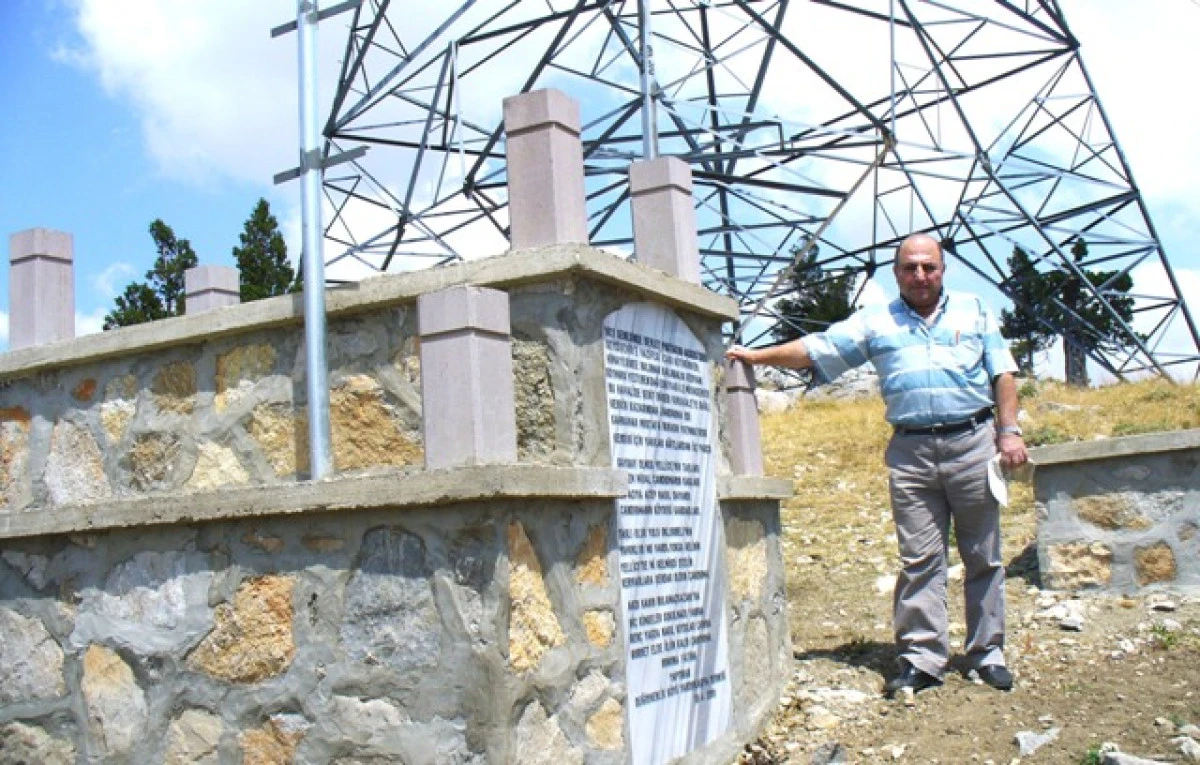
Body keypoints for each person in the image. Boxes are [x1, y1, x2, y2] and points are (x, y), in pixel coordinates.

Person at [727, 232, 1028, 697]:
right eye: (910, 268)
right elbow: (818, 348)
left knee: (982, 555)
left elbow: (1001, 373)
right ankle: (922, 659)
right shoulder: (876, 321)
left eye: (929, 266)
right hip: (911, 454)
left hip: (973, 443)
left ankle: (986, 652)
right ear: (897, 272)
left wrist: (1009, 432)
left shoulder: (975, 309)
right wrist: (756, 356)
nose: (920, 275)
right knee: (920, 559)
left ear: (943, 269)